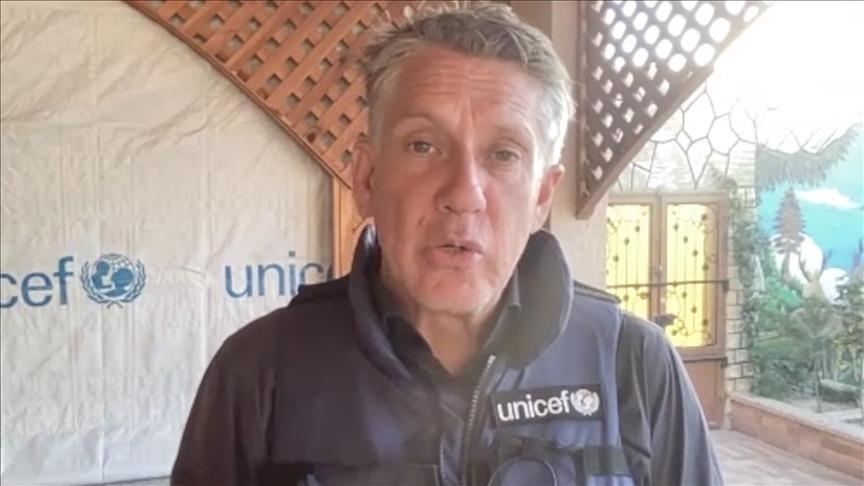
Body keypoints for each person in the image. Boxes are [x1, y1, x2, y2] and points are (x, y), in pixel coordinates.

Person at [171, 3, 723, 485]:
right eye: (422, 145)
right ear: (367, 178)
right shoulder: (260, 372)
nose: (463, 194)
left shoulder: (634, 365)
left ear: (541, 197)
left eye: (503, 154)